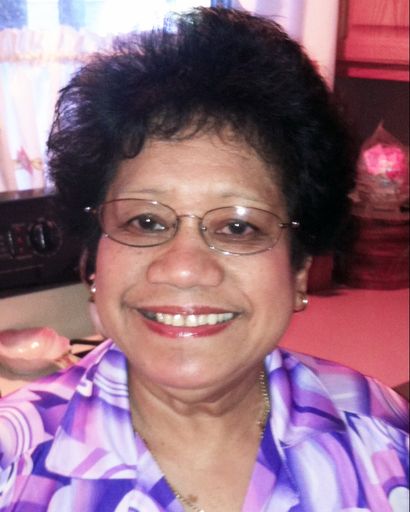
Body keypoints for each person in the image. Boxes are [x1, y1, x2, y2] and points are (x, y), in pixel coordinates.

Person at [0, 7, 408, 512]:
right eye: (145, 221)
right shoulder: (14, 460)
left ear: (300, 270)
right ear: (94, 260)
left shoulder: (383, 434)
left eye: (238, 226)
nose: (184, 267)